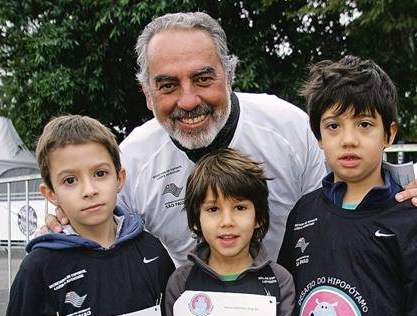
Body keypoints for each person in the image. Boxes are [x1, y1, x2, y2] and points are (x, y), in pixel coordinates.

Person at [46, 11, 417, 267]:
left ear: (229, 75)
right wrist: (61, 227)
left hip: (291, 315)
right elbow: (97, 228)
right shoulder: (131, 161)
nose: (188, 101)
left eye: (203, 79)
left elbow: (354, 183)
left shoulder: (289, 128)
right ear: (146, 94)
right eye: (168, 85)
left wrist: (406, 183)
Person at [2, 115, 175, 316]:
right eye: (70, 180)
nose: (89, 190)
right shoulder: (39, 268)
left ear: (120, 179)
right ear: (51, 193)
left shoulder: (153, 251)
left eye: (100, 173)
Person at [277, 56, 417, 316]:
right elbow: (285, 300)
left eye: (365, 124)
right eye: (334, 126)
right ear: (319, 138)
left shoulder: (408, 216)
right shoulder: (303, 213)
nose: (349, 139)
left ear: (390, 133)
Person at [157, 148, 301, 316]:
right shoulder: (181, 283)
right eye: (213, 209)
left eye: (240, 208)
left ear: (258, 217)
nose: (227, 221)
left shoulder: (279, 281)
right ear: (195, 220)